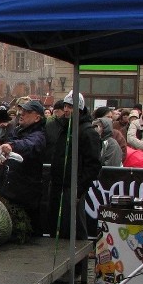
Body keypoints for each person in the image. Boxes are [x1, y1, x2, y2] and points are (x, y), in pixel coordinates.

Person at [47, 92, 101, 252]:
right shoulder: (63, 127)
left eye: (70, 106)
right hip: (58, 185)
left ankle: (78, 266)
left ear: (79, 109)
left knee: (75, 226)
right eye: (65, 106)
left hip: (73, 187)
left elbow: (93, 164)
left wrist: (79, 187)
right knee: (58, 226)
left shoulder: (87, 131)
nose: (66, 110)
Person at [0, 99, 47, 233]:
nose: (22, 114)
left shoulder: (39, 135)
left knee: (28, 234)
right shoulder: (17, 131)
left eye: (27, 112)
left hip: (27, 198)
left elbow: (28, 145)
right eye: (22, 110)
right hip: (11, 193)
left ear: (37, 118)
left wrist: (11, 146)